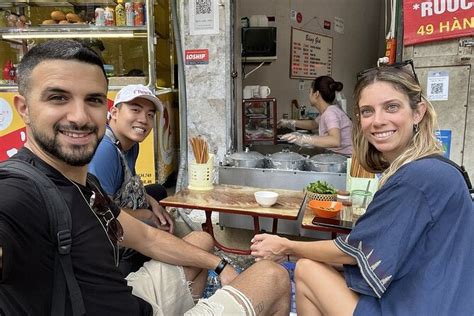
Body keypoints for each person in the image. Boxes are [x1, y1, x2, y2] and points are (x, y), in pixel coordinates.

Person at [0, 39, 290, 315]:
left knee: (201, 242)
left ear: (106, 108)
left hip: (128, 297)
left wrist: (221, 264)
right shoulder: (19, 192)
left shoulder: (85, 183)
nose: (79, 116)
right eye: (58, 97)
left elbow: (148, 239)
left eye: (93, 100)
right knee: (272, 275)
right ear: (24, 108)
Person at [250, 61, 474, 314]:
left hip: (421, 305)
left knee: (306, 270)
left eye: (391, 107)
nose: (378, 121)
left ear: (418, 112)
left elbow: (357, 251)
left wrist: (287, 246)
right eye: (367, 111)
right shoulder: (437, 167)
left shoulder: (419, 177)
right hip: (435, 297)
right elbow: (384, 254)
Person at [88, 84, 173, 275]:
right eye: (135, 110)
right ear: (115, 112)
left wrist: (155, 205)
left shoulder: (131, 144)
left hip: (113, 204)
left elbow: (131, 184)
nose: (143, 120)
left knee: (157, 192)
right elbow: (100, 214)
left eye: (150, 114)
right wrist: (149, 216)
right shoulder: (105, 151)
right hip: (101, 238)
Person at [278, 76, 352, 155]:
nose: (309, 95)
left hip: (346, 158)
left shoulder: (330, 113)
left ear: (316, 94)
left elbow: (335, 140)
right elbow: (313, 124)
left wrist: (304, 139)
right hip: (339, 156)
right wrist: (290, 122)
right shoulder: (328, 111)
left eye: (310, 92)